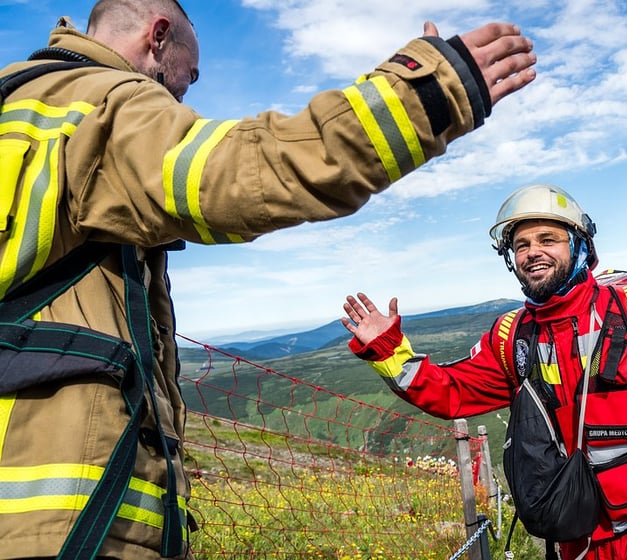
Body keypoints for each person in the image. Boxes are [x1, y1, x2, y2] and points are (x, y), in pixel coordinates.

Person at [0, 0, 537, 558]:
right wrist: (430, 91)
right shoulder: (102, 107)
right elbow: (243, 171)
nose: (188, 87)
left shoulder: (20, 108)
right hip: (66, 522)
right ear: (158, 37)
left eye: (548, 240)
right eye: (192, 69)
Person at [342, 183, 627, 560]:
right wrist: (387, 350)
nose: (532, 252)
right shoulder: (511, 336)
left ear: (581, 247)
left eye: (548, 239)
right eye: (522, 244)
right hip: (579, 535)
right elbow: (450, 393)